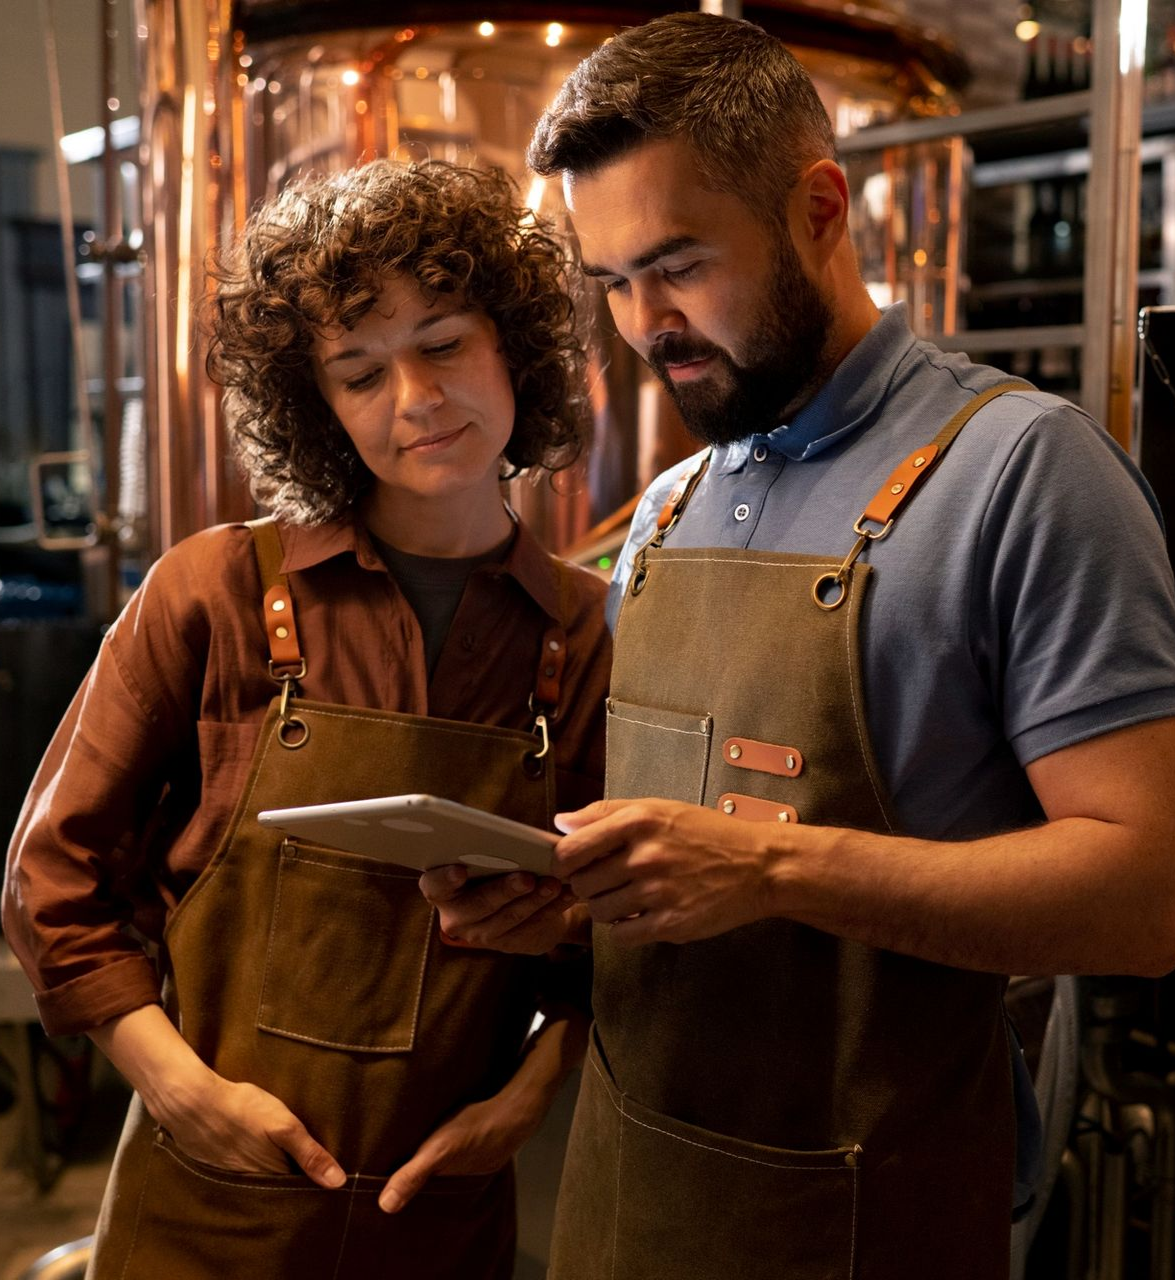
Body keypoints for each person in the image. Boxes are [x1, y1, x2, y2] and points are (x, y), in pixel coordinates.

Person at [422, 14, 1175, 1279]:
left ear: (820, 207)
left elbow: (1144, 895)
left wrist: (777, 868)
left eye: (675, 264)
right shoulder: (663, 511)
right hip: (630, 1195)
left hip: (863, 1215)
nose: (643, 322)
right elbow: (684, 876)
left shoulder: (1020, 475)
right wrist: (559, 906)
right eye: (608, 282)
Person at [2, 158, 611, 1280]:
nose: (415, 400)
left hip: (442, 1219)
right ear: (315, 405)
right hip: (208, 1208)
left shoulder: (591, 633)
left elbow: (617, 937)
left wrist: (525, 1100)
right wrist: (183, 1093)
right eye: (357, 371)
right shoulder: (214, 593)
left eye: (442, 342)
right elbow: (53, 880)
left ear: (515, 344)